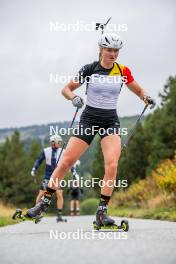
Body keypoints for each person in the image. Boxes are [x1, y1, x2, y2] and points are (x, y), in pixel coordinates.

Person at [26, 32, 155, 226]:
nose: (113, 54)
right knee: (66, 162)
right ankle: (43, 204)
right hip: (88, 120)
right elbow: (66, 89)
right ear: (101, 50)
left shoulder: (123, 71)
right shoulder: (89, 69)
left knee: (112, 165)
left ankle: (102, 213)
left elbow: (137, 89)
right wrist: (74, 98)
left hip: (110, 121)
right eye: (109, 50)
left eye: (116, 50)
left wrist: (145, 96)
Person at [31, 134, 65, 222]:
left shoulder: (63, 151)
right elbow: (39, 160)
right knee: (41, 193)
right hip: (48, 176)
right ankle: (36, 213)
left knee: (59, 194)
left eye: (60, 142)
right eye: (59, 142)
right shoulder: (46, 151)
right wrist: (34, 168)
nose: (60, 143)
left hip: (58, 177)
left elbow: (69, 162)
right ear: (54, 142)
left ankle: (59, 215)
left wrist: (74, 172)